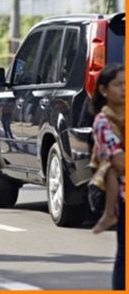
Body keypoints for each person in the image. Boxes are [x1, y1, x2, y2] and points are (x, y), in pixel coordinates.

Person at [88, 64, 124, 289]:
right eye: (118, 85)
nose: (124, 89)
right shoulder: (103, 122)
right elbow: (119, 162)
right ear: (103, 90)